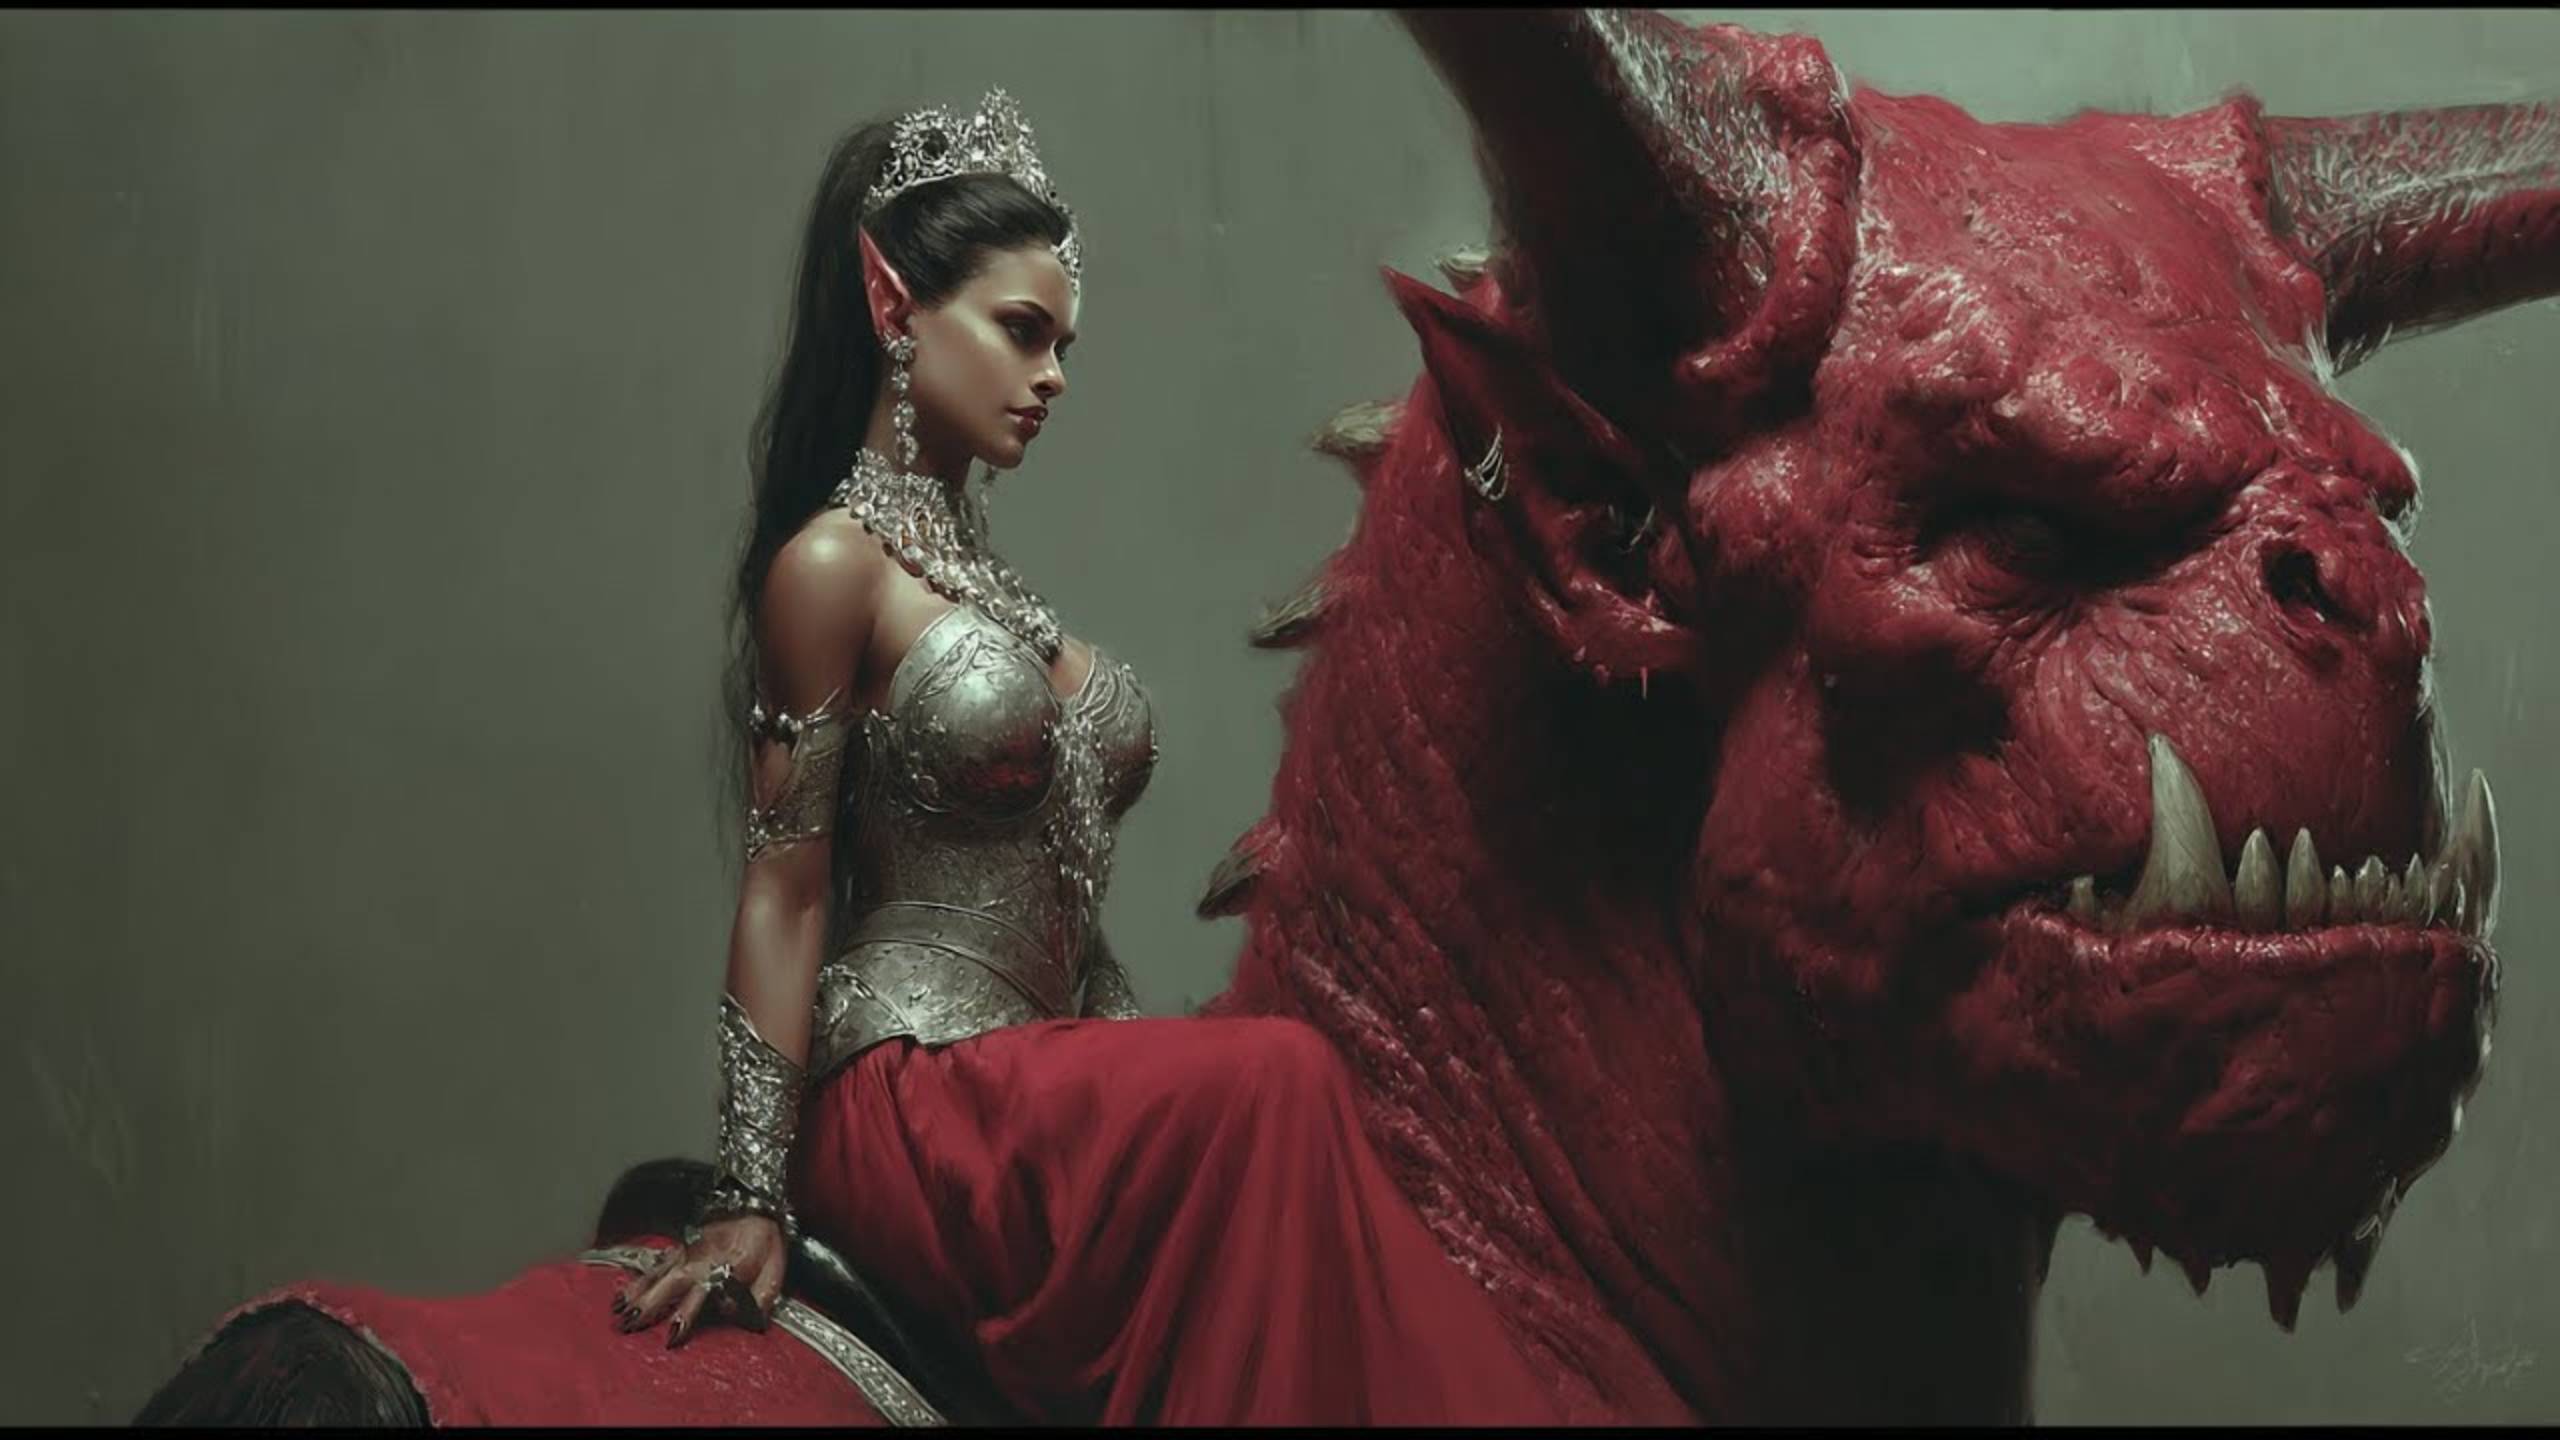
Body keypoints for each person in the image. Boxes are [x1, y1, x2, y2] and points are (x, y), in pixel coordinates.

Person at [601, 90, 1561, 1425]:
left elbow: (1059, 892)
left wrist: (1130, 1055)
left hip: (1032, 1088)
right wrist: (751, 1193)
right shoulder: (831, 569)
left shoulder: (991, 588)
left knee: (1284, 1084)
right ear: (891, 304)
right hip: (909, 1101)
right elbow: (786, 890)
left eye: (1064, 345)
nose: (1052, 375)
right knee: (1278, 1082)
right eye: (1020, 331)